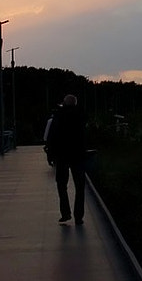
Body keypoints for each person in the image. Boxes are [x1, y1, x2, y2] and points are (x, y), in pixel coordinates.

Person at [43, 93, 89, 224]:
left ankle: (65, 213)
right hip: (78, 156)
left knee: (62, 185)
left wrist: (50, 155)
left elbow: (52, 137)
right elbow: (85, 137)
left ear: (64, 103)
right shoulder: (81, 116)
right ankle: (79, 216)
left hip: (62, 156)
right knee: (80, 187)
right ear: (75, 104)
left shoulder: (58, 116)